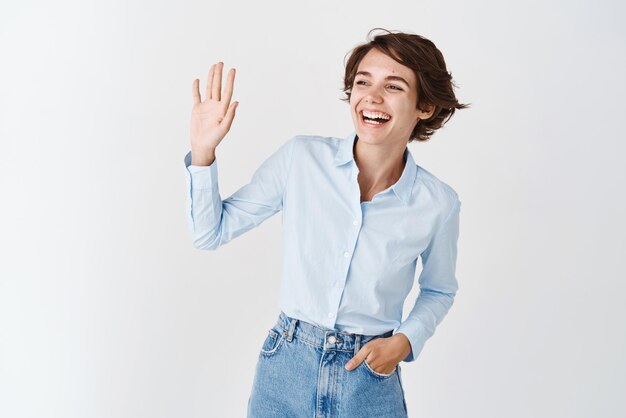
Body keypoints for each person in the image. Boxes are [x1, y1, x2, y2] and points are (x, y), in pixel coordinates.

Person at [183, 28, 469, 418]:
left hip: (369, 378)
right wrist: (203, 151)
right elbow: (209, 232)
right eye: (362, 82)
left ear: (425, 107)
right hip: (286, 368)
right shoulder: (301, 159)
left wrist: (404, 341)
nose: (371, 96)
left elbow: (439, 290)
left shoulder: (437, 203)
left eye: (394, 86)